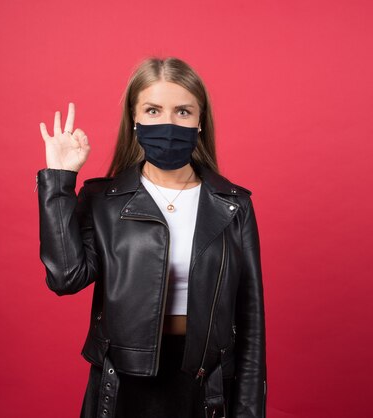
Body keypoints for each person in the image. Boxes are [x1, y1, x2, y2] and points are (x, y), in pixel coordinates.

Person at [36, 56, 267, 418]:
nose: (169, 123)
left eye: (183, 112)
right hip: (124, 386)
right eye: (154, 110)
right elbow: (64, 278)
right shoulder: (104, 199)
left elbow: (250, 320)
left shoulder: (233, 205)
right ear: (135, 119)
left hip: (204, 385)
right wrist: (59, 180)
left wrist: (251, 409)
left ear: (200, 121)